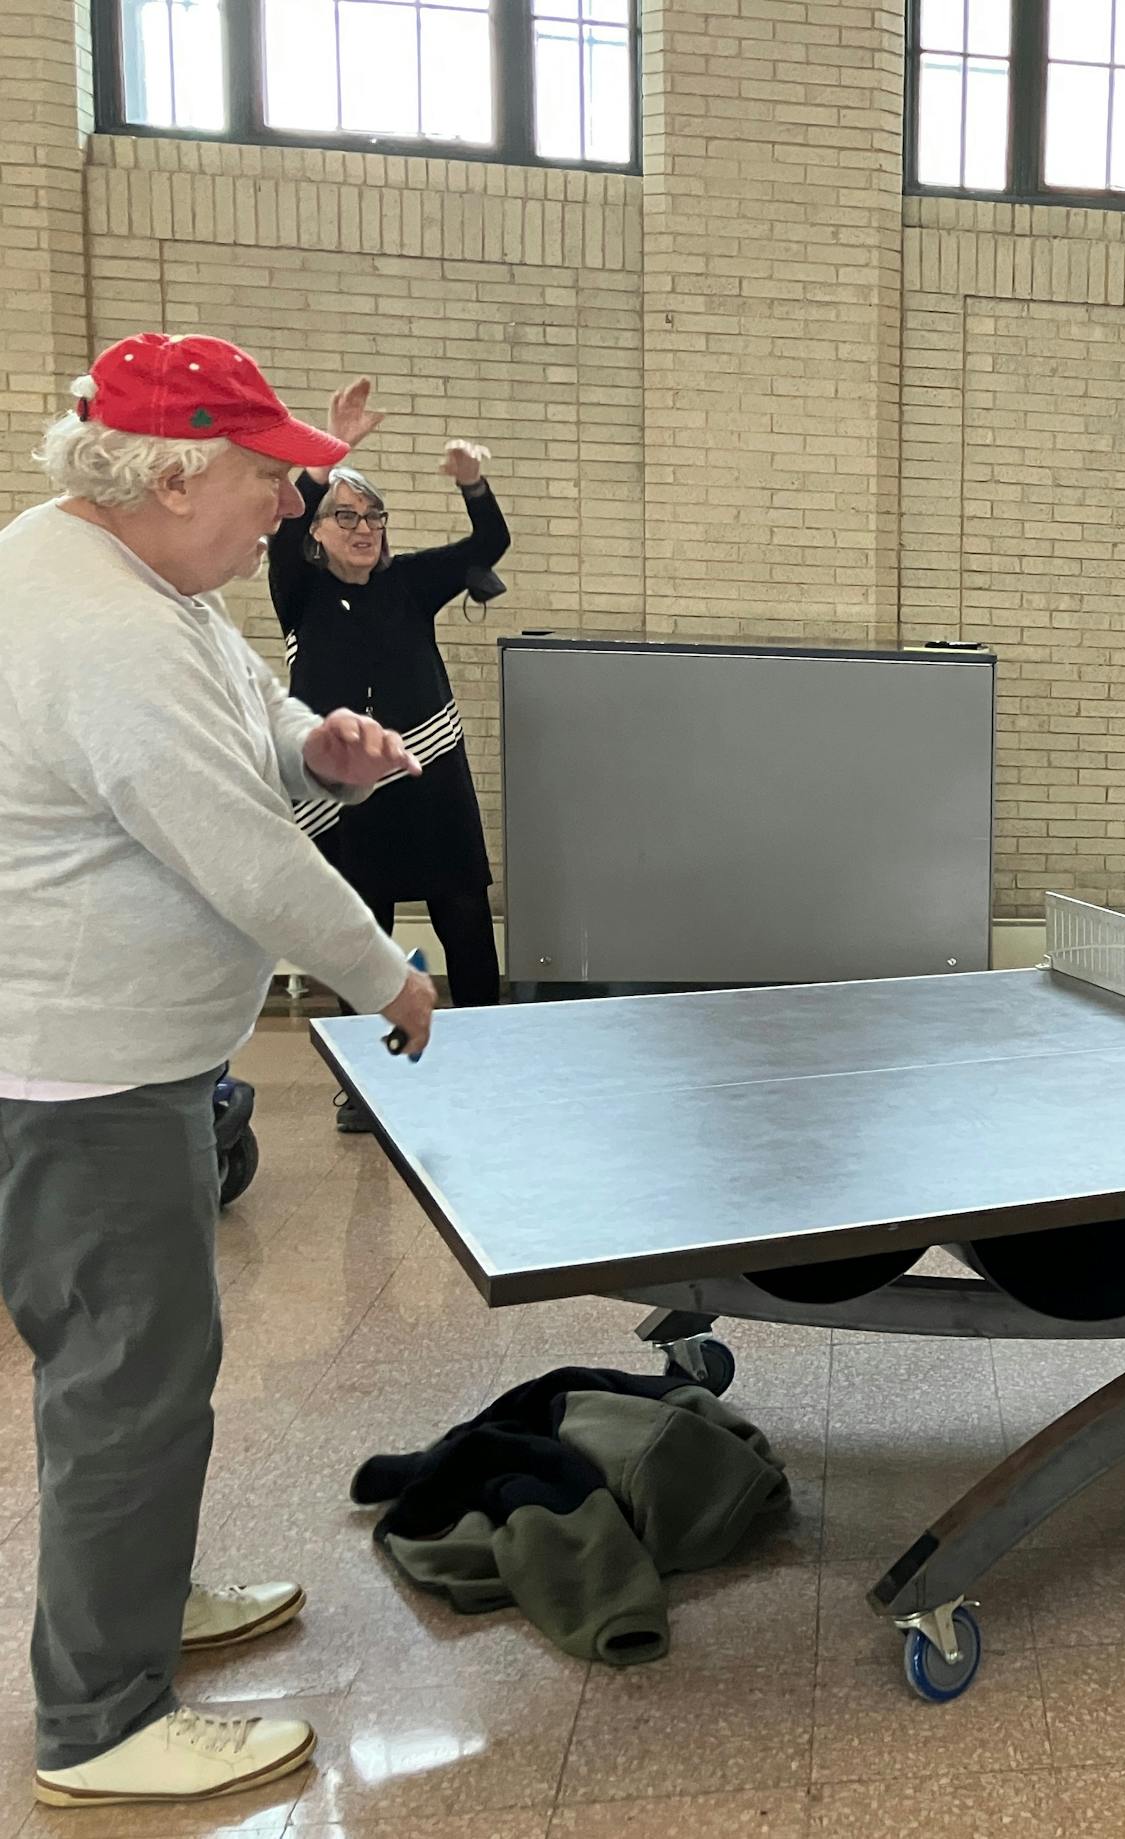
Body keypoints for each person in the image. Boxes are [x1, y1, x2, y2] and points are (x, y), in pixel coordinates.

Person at [0, 333, 437, 1805]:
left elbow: (249, 707)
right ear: (177, 474)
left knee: (148, 1368)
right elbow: (239, 849)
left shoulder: (139, 576)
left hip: (135, 1062)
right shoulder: (95, 626)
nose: (292, 505)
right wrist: (387, 975)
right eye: (269, 476)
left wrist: (321, 742)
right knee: (127, 1381)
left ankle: (137, 1602)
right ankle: (101, 1723)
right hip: (82, 1078)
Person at [266, 379, 508, 1130]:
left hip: (430, 773)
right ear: (317, 532)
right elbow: (283, 531)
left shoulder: (408, 583)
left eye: (373, 516)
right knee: (360, 927)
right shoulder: (298, 590)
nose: (363, 528)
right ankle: (370, 1082)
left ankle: (490, 1060)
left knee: (463, 912)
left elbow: (488, 546)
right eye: (346, 515)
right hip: (345, 790)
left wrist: (472, 484)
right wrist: (330, 451)